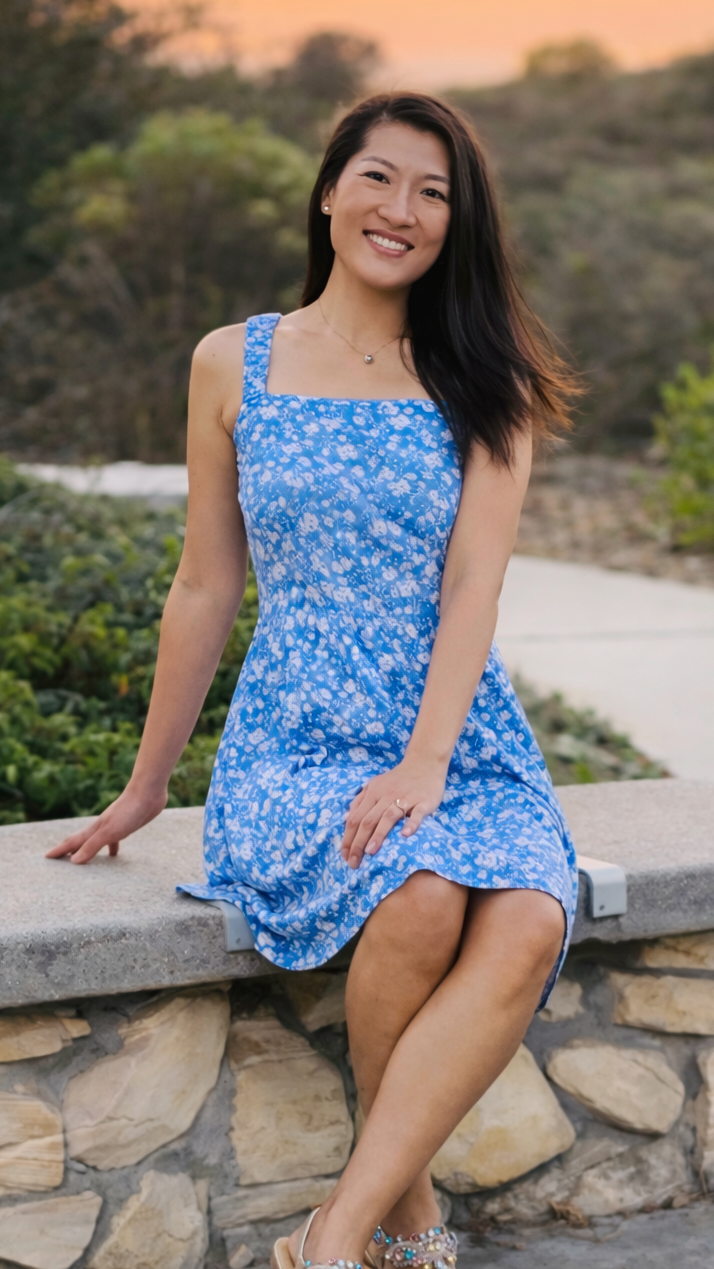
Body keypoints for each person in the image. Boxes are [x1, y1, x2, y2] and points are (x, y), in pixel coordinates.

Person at [49, 93, 578, 1269]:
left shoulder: (484, 377)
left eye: (434, 193)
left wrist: (426, 764)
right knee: (426, 896)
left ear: (460, 223)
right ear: (329, 190)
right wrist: (146, 787)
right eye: (380, 179)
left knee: (532, 914)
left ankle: (328, 1241)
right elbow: (203, 588)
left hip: (457, 736)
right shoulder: (233, 362)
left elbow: (472, 595)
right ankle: (410, 1223)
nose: (402, 211)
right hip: (296, 742)